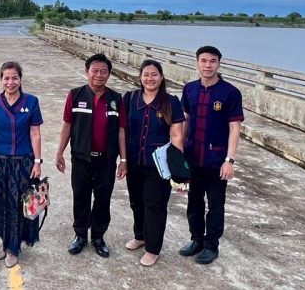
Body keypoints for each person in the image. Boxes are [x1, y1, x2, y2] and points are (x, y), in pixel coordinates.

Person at [178, 45, 244, 265]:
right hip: (192, 158)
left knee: (215, 205)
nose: (208, 65)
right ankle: (196, 239)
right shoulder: (189, 89)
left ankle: (211, 245)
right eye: (204, 61)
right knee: (194, 202)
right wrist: (179, 152)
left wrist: (229, 160)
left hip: (216, 160)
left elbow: (235, 128)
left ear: (219, 63)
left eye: (212, 61)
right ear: (197, 63)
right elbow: (185, 120)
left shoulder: (230, 93)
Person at [55, 53, 124, 258]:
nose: (99, 75)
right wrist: (59, 152)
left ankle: (98, 237)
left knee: (103, 199)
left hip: (106, 160)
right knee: (80, 197)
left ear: (109, 74)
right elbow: (67, 125)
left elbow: (121, 130)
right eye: (95, 71)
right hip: (81, 158)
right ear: (87, 72)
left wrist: (124, 160)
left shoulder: (116, 99)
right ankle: (80, 235)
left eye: (104, 71)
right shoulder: (75, 95)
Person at [118, 59, 184, 267]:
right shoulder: (130, 99)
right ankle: (140, 236)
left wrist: (178, 169)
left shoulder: (171, 102)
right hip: (134, 161)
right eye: (146, 74)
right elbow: (122, 130)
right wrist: (123, 159)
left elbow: (177, 135)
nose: (150, 78)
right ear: (140, 77)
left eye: (154, 74)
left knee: (154, 205)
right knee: (136, 202)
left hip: (159, 166)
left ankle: (153, 248)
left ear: (161, 77)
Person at [0, 61, 43, 269]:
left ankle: (14, 248)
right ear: (1, 79)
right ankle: (5, 241)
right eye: (6, 78)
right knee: (0, 203)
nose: (10, 82)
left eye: (14, 78)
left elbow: (35, 133)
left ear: (20, 79)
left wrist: (37, 161)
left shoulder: (31, 102)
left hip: (22, 163)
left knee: (18, 205)